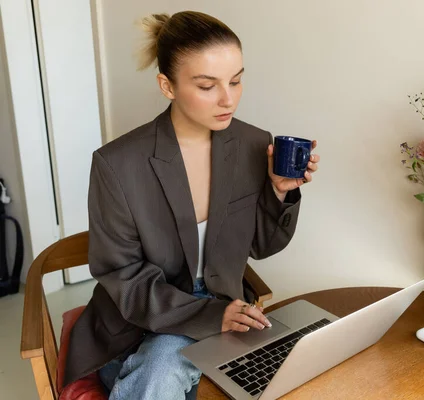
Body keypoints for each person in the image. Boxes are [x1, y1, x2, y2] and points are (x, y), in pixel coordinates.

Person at [64, 10, 320, 399]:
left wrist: (280, 191)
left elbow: (263, 247)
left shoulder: (253, 144)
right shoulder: (117, 164)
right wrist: (211, 315)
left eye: (236, 80)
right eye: (207, 85)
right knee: (164, 364)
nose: (228, 98)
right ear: (167, 86)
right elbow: (123, 276)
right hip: (139, 321)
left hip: (227, 308)